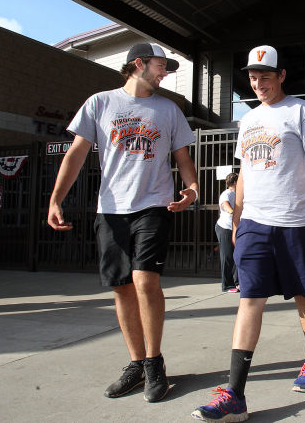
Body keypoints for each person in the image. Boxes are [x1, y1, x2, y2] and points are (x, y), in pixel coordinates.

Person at [47, 42, 199, 402]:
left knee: (145, 281)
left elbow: (183, 157)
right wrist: (55, 198)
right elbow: (76, 154)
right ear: (138, 64)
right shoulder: (100, 103)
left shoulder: (169, 109)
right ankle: (136, 363)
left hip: (154, 205)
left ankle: (153, 362)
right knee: (121, 286)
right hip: (111, 209)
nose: (166, 73)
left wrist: (192, 188)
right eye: (162, 66)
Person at [192, 45, 305, 422]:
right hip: (255, 222)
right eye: (253, 77)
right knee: (250, 298)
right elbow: (244, 176)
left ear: (282, 75)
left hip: (299, 222)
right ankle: (235, 394)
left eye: (265, 76)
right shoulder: (248, 120)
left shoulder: (301, 111)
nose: (258, 83)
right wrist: (238, 220)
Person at [216, 172, 240, 292]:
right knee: (227, 255)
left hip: (235, 228)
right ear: (235, 182)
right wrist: (232, 211)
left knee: (237, 255)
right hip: (225, 227)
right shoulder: (228, 193)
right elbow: (225, 204)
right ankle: (228, 285)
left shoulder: (238, 194)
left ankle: (237, 283)